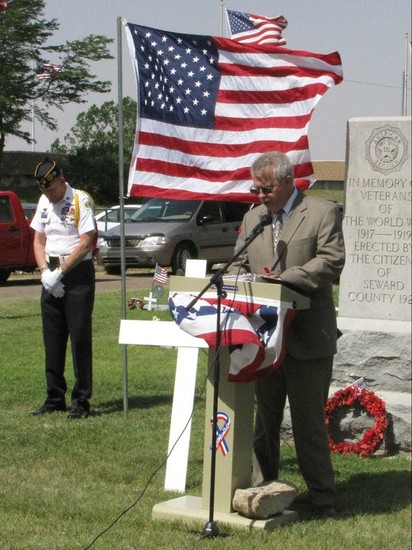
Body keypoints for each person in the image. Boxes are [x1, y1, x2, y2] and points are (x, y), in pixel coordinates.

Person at [230, 151, 345, 517]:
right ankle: (266, 490)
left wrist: (286, 279)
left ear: (287, 181)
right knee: (265, 421)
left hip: (308, 336)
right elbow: (237, 263)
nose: (260, 195)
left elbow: (331, 260)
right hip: (265, 339)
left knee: (308, 422)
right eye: (256, 189)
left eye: (265, 189)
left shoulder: (322, 212)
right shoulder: (252, 219)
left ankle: (323, 498)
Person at [30, 158, 96, 420]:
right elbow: (38, 240)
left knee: (79, 337)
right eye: (44, 191)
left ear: (61, 180)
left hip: (76, 273)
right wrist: (46, 272)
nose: (49, 194)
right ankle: (54, 397)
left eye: (52, 189)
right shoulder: (44, 202)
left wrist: (60, 272)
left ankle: (81, 401)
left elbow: (86, 242)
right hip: (51, 276)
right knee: (52, 337)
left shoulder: (80, 200)